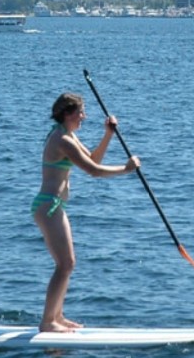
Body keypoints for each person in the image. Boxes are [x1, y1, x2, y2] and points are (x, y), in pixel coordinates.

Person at [32, 92, 140, 333]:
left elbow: (93, 158)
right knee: (65, 264)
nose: (84, 116)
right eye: (81, 112)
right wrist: (126, 169)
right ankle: (48, 322)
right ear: (68, 114)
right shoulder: (63, 140)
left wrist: (108, 135)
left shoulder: (67, 135)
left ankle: (56, 317)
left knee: (68, 263)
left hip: (54, 206)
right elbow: (94, 171)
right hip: (49, 206)